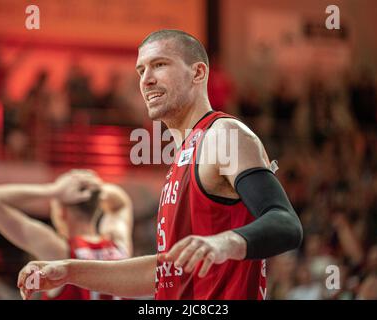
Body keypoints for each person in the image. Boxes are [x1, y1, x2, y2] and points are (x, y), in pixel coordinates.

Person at [18, 29, 303, 300]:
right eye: (141, 70)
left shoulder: (224, 135)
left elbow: (285, 223)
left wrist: (223, 243)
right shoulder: (180, 158)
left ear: (198, 73)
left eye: (159, 65)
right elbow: (165, 272)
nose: (146, 79)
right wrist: (70, 271)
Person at [0, 169, 133, 299]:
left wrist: (52, 190)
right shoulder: (118, 244)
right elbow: (121, 203)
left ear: (61, 212)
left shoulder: (59, 252)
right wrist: (94, 189)